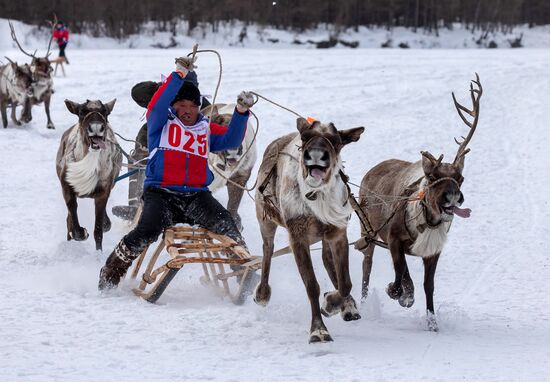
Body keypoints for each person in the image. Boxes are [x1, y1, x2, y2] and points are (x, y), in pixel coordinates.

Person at [98, 57, 254, 290]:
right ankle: (112, 269)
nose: (188, 111)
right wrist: (178, 74)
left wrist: (241, 112)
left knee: (227, 224)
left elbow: (232, 139)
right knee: (147, 230)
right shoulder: (160, 122)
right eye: (182, 105)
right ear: (173, 105)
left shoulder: (205, 128)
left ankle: (243, 273)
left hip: (196, 196)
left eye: (193, 106)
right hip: (161, 194)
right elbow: (157, 105)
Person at [111, 72, 211, 221]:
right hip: (151, 140)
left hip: (184, 149)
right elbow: (136, 92)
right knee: (137, 163)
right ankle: (135, 206)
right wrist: (161, 88)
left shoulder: (201, 104)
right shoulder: (164, 93)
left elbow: (211, 122)